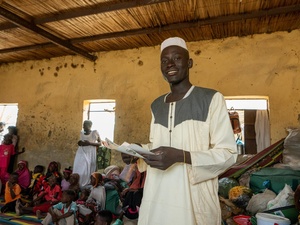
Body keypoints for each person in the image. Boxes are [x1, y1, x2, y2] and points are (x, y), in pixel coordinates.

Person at [125, 37, 237, 225]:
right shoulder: (156, 105)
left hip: (191, 199)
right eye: (164, 60)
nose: (170, 64)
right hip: (157, 195)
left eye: (177, 58)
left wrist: (181, 156)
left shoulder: (211, 98)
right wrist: (137, 151)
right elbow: (156, 145)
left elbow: (228, 154)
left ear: (189, 62)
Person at [73, 120, 102, 188]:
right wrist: (80, 143)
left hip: (90, 153)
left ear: (90, 125)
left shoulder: (94, 133)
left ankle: (86, 184)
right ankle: (78, 184)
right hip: (81, 152)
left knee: (87, 168)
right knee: (78, 168)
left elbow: (100, 143)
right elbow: (80, 142)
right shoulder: (81, 133)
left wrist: (89, 143)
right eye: (83, 124)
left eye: (85, 125)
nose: (83, 126)